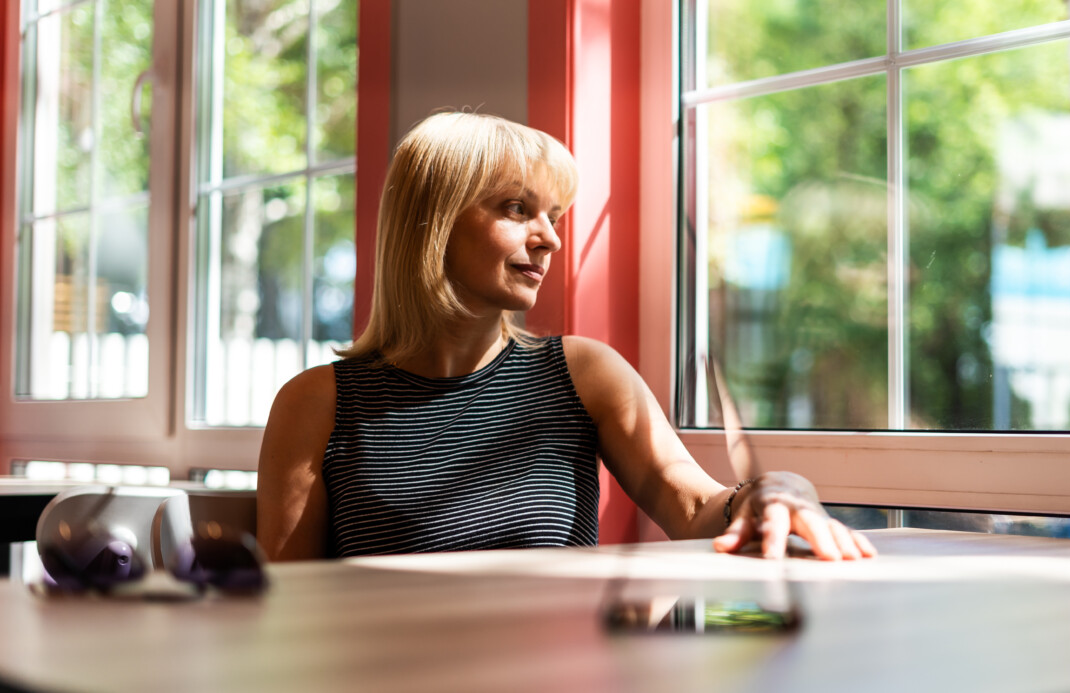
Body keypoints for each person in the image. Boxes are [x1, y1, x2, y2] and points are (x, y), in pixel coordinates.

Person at [256, 111, 877, 563]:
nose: (551, 239)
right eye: (517, 209)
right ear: (433, 224)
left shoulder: (584, 373)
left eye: (554, 218)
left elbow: (693, 509)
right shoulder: (316, 403)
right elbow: (288, 610)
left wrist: (773, 491)